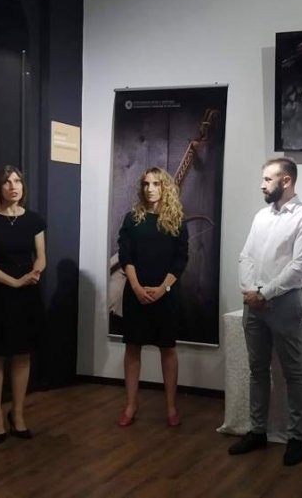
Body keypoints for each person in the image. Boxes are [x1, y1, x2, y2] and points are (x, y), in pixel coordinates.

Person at [229, 157, 302, 466]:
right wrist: (250, 291)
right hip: (254, 304)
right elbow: (246, 256)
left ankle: (296, 438)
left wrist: (264, 293)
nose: (262, 184)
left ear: (286, 181)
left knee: (292, 372)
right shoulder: (261, 217)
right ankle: (258, 431)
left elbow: (299, 268)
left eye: (268, 179)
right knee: (257, 370)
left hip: (284, 304)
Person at [0, 165, 46, 443]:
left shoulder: (34, 220)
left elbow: (41, 256)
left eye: (17, 181)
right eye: (7, 182)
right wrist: (13, 282)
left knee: (22, 355)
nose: (13, 186)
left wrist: (35, 272)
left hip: (26, 293)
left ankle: (18, 413)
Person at [116, 167, 189, 428]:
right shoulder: (132, 219)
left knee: (167, 349)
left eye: (156, 184)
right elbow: (126, 256)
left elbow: (180, 260)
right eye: (146, 184)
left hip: (165, 295)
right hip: (136, 294)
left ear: (165, 187)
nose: (150, 189)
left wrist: (161, 289)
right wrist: (137, 288)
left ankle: (170, 407)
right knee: (132, 348)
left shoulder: (177, 221)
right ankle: (130, 405)